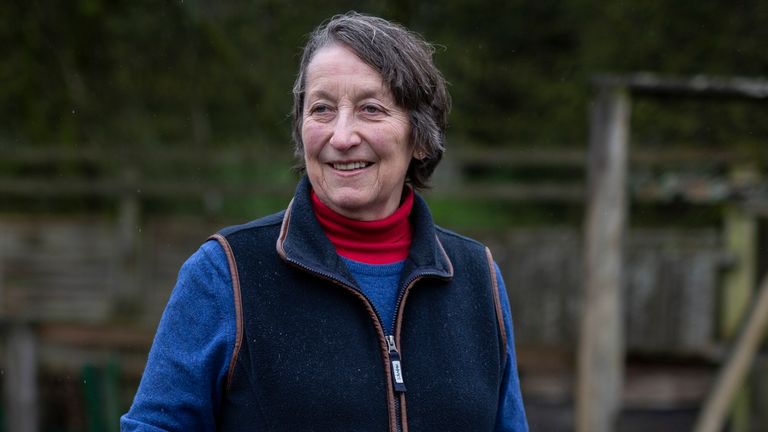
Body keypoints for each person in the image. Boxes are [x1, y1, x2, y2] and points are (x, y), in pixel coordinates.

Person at [121, 12, 527, 432]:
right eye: (322, 109)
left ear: (420, 137)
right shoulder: (226, 273)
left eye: (370, 109)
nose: (342, 135)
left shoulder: (479, 279)